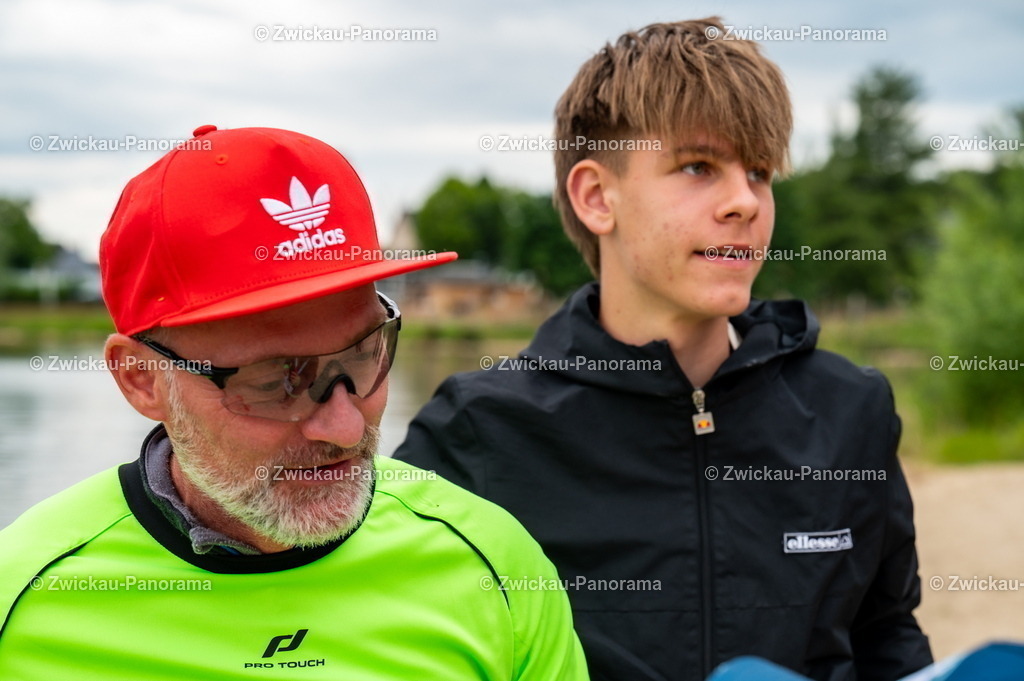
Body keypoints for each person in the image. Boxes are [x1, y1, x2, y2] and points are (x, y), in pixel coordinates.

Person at [395, 17, 932, 681]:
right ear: (598, 197)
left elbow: (887, 636)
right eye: (698, 167)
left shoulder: (853, 409)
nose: (745, 202)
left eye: (759, 171)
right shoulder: (476, 435)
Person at [0, 125, 588, 681]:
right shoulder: (21, 596)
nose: (344, 425)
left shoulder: (496, 569)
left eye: (365, 354)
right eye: (276, 378)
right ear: (141, 379)